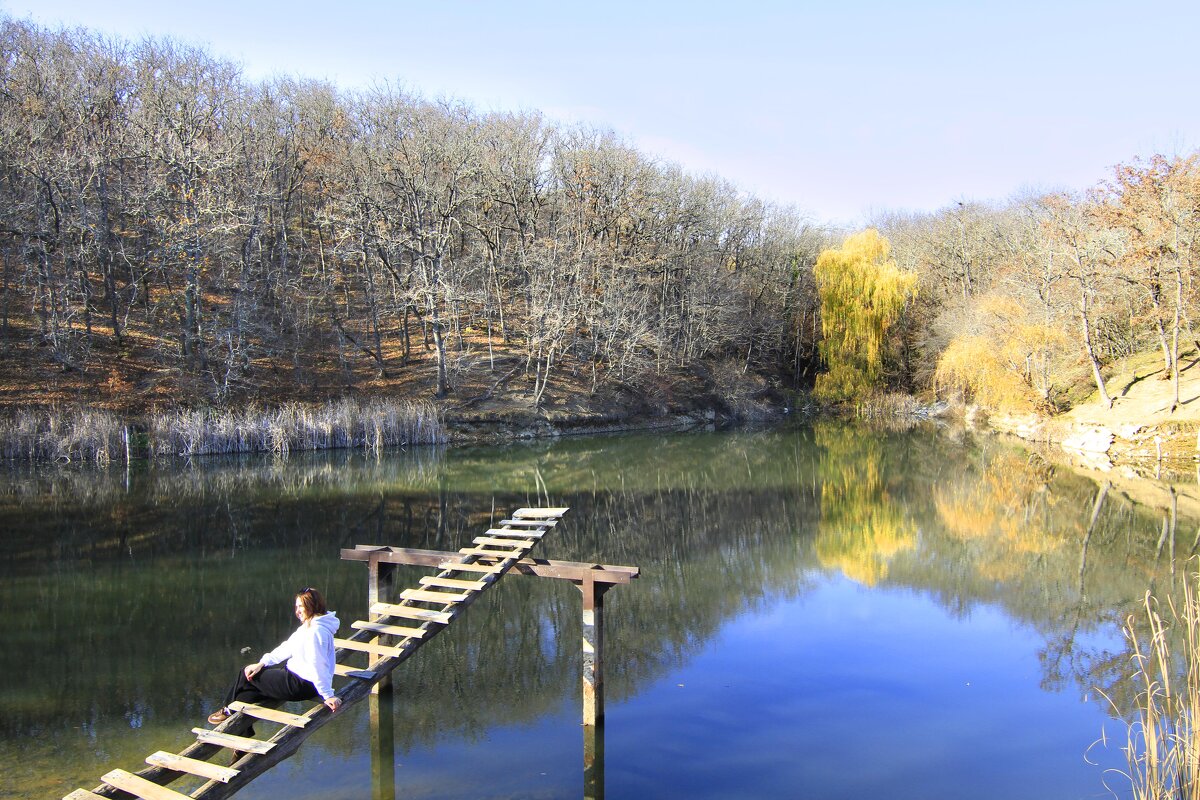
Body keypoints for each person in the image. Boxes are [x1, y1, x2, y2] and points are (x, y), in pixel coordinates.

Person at [208, 587, 342, 724]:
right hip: (301, 680)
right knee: (247, 694)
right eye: (296, 607)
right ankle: (238, 729)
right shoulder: (311, 626)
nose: (297, 611)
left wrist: (328, 695)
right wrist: (262, 663)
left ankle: (226, 710)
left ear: (312, 605)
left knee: (245, 673)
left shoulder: (315, 631)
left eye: (301, 606)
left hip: (300, 684)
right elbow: (287, 647)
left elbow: (318, 664)